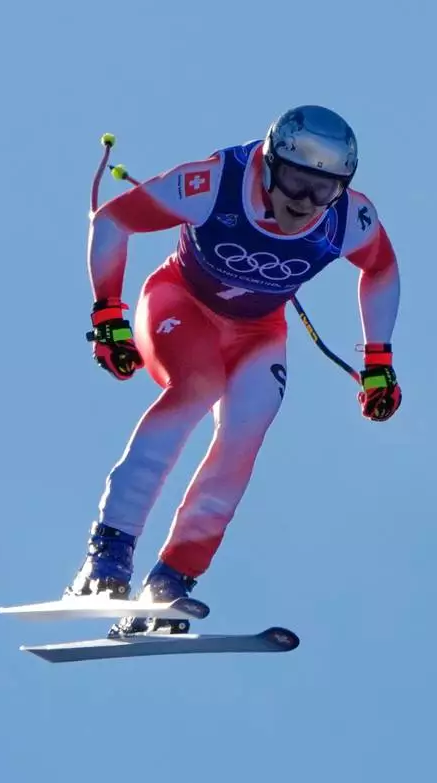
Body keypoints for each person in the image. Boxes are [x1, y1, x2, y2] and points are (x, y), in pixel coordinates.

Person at [66, 104, 403, 637]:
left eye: (323, 189)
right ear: (269, 165)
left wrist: (378, 359)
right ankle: (106, 559)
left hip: (258, 331)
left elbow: (381, 268)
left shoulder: (348, 218)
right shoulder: (215, 184)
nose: (304, 201)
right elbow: (113, 219)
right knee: (196, 388)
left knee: (247, 428)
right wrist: (109, 314)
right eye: (294, 180)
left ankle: (173, 579)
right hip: (181, 303)